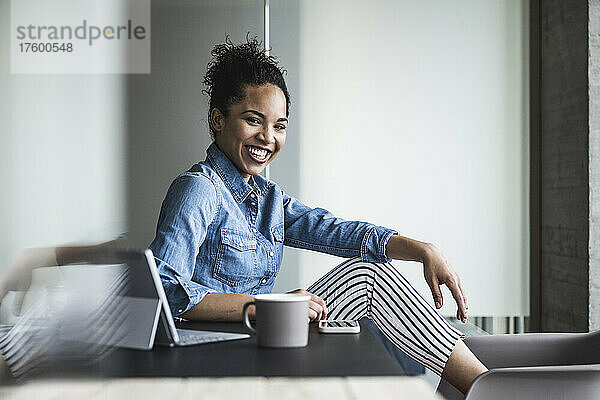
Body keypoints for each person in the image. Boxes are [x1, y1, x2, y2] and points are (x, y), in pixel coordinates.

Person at [148, 37, 487, 393]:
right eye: (253, 121)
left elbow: (338, 232)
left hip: (257, 339)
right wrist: (268, 307)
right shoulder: (199, 189)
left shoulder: (267, 199)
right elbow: (165, 291)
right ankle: (488, 387)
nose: (267, 137)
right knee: (367, 280)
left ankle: (480, 385)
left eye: (279, 126)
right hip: (214, 351)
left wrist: (422, 250)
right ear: (218, 119)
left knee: (367, 272)